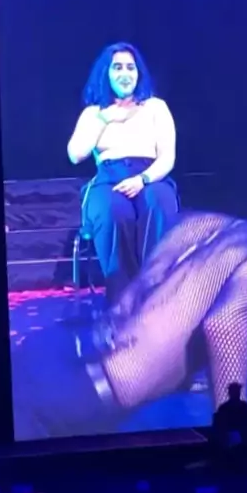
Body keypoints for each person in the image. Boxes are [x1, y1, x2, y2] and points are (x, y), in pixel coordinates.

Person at [19, 172, 247, 438]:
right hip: (85, 391)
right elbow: (225, 324)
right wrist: (233, 427)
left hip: (54, 349)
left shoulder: (204, 224)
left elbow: (143, 293)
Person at [67, 42, 179, 303]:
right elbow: (76, 154)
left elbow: (167, 157)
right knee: (114, 211)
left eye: (131, 67)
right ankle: (123, 300)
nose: (125, 73)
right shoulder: (94, 113)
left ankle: (156, 292)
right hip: (109, 179)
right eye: (117, 67)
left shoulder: (156, 107)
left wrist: (142, 179)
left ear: (139, 73)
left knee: (157, 203)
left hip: (150, 176)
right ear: (106, 73)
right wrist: (105, 119)